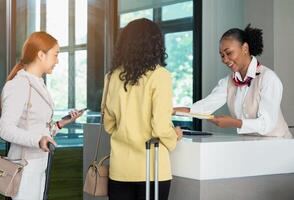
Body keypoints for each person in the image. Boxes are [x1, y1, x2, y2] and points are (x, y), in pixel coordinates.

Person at [103, 18, 182, 200]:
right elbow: (161, 127)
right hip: (151, 169)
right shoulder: (160, 75)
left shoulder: (112, 77)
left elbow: (108, 124)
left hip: (120, 169)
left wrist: (127, 130)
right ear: (155, 44)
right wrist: (174, 136)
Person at [0, 32, 84, 200]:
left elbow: (39, 128)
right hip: (24, 168)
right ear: (40, 54)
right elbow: (5, 129)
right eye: (55, 55)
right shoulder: (19, 85)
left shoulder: (38, 83)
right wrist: (38, 140)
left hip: (39, 164)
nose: (58, 60)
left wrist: (61, 124)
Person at [174, 24, 292, 138]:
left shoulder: (268, 78)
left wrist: (234, 122)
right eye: (222, 55)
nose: (225, 59)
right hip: (249, 143)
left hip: (279, 144)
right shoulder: (228, 82)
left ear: (245, 48)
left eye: (229, 53)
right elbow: (204, 106)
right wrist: (172, 111)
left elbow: (267, 124)